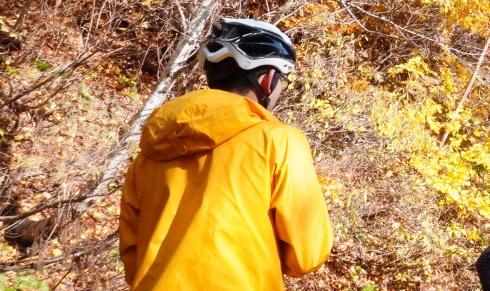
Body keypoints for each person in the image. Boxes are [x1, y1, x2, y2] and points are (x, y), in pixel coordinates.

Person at [119, 18, 333, 290]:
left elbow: (131, 252)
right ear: (268, 79)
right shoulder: (277, 140)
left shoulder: (151, 149)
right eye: (284, 80)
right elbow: (307, 255)